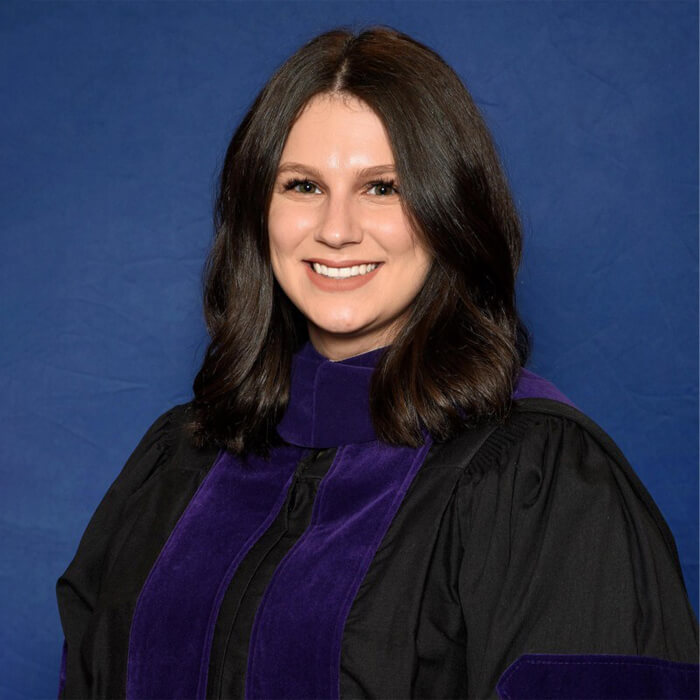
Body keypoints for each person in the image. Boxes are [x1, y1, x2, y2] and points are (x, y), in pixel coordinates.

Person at [56, 26, 698, 700]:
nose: (336, 230)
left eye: (383, 188)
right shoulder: (179, 461)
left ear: (450, 212)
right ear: (257, 212)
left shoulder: (539, 482)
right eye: (303, 185)